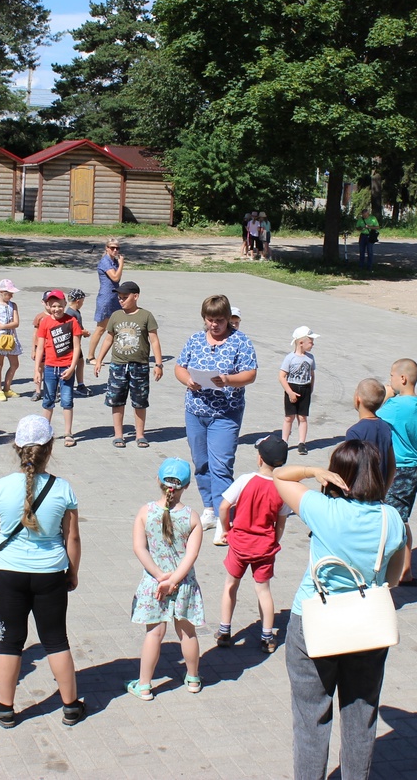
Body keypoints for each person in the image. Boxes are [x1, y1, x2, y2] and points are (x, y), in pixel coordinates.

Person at [271, 441, 407, 780]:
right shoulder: (392, 519)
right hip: (367, 628)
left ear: (338, 474)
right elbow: (393, 577)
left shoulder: (324, 510)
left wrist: (312, 470)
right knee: (361, 715)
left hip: (314, 621)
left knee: (310, 717)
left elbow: (280, 477)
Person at [0, 415, 85, 729]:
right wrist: (73, 571)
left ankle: (5, 709)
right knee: (56, 639)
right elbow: (73, 538)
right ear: (50, 448)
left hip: (7, 572)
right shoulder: (63, 489)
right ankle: (70, 706)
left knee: (9, 640)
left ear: (17, 446)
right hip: (50, 572)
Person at [174, 294, 258, 531]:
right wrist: (188, 380)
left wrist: (228, 380)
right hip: (196, 410)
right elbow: (179, 367)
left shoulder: (240, 341)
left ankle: (224, 517)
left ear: (228, 318)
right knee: (201, 463)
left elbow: (250, 374)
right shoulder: (195, 339)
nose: (214, 324)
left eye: (219, 320)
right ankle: (209, 509)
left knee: (221, 465)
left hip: (225, 413)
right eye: (210, 320)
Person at [127, 458, 205, 700]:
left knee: (154, 633)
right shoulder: (192, 517)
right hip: (183, 584)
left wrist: (160, 576)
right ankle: (193, 678)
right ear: (187, 486)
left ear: (158, 481)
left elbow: (139, 548)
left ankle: (144, 685)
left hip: (155, 584)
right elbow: (191, 555)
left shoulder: (145, 512)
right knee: (187, 632)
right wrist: (174, 580)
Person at [214, 435, 291, 653]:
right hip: (264, 546)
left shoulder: (245, 480)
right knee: (263, 590)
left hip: (239, 542)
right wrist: (274, 541)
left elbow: (223, 506)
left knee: (231, 585)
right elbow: (281, 523)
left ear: (260, 459)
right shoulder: (283, 488)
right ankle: (267, 636)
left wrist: (226, 529)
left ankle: (224, 630)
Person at [92, 280, 164, 449]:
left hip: (139, 366)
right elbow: (108, 339)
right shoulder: (116, 316)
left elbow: (154, 341)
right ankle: (118, 435)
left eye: (125, 297)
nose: (121, 300)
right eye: (119, 297)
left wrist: (158, 364)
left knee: (140, 401)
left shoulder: (146, 316)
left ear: (135, 296)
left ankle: (140, 435)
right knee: (117, 400)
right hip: (118, 365)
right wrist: (99, 359)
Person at [378, 358, 417, 586]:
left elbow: (368, 410)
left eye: (391, 376)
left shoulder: (397, 406)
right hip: (413, 467)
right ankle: (405, 570)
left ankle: (388, 569)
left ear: (403, 378)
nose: (389, 380)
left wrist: (386, 395)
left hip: (397, 468)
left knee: (390, 521)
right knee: (402, 519)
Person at [34, 289, 82, 447]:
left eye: (60, 306)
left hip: (66, 367)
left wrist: (72, 367)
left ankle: (68, 433)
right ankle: (44, 432)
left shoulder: (72, 321)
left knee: (67, 400)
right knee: (48, 400)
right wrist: (37, 370)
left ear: (65, 304)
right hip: (49, 367)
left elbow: (76, 347)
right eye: (53, 306)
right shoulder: (45, 322)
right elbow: (40, 347)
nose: (57, 309)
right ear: (48, 306)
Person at [345, 378, 396, 485]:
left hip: (358, 489)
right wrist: (384, 490)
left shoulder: (354, 432)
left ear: (358, 399)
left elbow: (349, 467)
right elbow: (392, 465)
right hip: (378, 490)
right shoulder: (386, 427)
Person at [280, 327, 318, 454]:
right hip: (292, 388)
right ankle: (284, 441)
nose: (313, 344)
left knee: (302, 417)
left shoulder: (310, 358)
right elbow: (282, 376)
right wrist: (290, 392)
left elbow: (312, 374)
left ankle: (302, 443)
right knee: (289, 417)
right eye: (311, 342)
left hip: (305, 389)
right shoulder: (290, 358)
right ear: (301, 343)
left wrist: (310, 389)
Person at [85, 238, 125, 362]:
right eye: (112, 248)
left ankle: (119, 355)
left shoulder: (114, 261)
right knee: (101, 328)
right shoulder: (105, 261)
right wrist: (122, 264)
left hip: (115, 298)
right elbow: (115, 278)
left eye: (117, 248)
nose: (115, 250)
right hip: (106, 298)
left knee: (117, 327)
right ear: (106, 248)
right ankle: (90, 356)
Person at [0, 279, 21, 401]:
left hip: (11, 338)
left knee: (15, 364)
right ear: (1, 292)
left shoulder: (13, 305)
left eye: (11, 293)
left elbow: (16, 323)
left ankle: (7, 388)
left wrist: (3, 326)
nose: (11, 296)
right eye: (8, 293)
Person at [64, 288, 92, 396]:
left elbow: (78, 326)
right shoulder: (70, 314)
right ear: (78, 301)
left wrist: (83, 331)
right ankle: (67, 386)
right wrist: (82, 332)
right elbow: (70, 329)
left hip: (77, 344)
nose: (82, 303)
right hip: (71, 345)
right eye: (83, 301)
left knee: (80, 362)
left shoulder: (76, 312)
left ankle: (80, 384)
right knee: (71, 364)